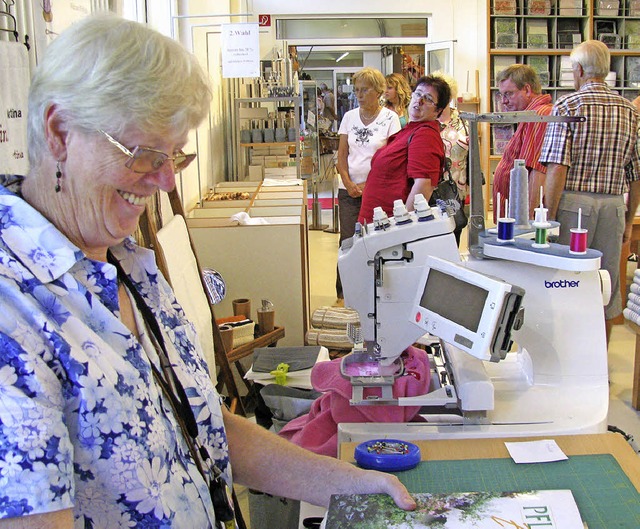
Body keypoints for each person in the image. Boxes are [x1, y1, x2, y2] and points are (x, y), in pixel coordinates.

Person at [0, 14, 416, 528]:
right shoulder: (13, 312)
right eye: (145, 154)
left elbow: (201, 425)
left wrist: (344, 480)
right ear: (60, 131)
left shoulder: (127, 261)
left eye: (176, 155)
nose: (165, 179)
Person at [539, 40, 640, 344]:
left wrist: (549, 218)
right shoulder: (629, 110)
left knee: (566, 281)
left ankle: (568, 357)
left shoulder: (568, 106)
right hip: (612, 206)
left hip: (573, 204)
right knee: (605, 284)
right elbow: (636, 174)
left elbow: (558, 168)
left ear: (579, 70)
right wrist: (629, 217)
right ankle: (599, 363)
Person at [335, 67, 401, 300]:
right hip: (348, 190)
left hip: (378, 191)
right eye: (357, 91)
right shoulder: (349, 117)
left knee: (376, 240)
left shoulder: (390, 119)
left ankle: (375, 291)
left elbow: (393, 158)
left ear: (379, 91)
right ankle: (344, 293)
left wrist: (369, 185)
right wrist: (348, 181)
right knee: (348, 241)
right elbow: (341, 155)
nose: (359, 95)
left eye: (365, 90)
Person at [358, 74, 450, 224]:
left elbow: (423, 186)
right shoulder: (412, 129)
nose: (419, 101)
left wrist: (403, 227)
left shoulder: (425, 135)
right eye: (418, 94)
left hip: (390, 227)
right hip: (378, 224)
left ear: (437, 111)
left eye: (428, 99)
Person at [492, 64, 553, 223]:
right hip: (514, 212)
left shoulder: (539, 115)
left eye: (509, 94)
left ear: (527, 89)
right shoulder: (529, 116)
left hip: (522, 217)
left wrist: (528, 217)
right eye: (501, 95)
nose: (504, 101)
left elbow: (537, 169)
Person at [432, 71, 470, 246]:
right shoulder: (424, 122)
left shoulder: (464, 121)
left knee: (453, 240)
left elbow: (471, 156)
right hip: (430, 192)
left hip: (457, 192)